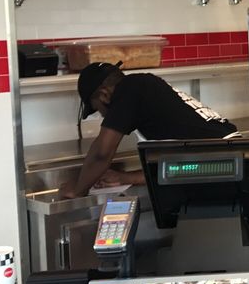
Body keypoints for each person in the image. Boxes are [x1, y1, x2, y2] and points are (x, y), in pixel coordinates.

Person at [59, 61, 239, 198]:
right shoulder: (144, 85)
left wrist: (78, 190)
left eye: (97, 109)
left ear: (104, 95)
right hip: (232, 159)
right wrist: (126, 178)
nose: (103, 116)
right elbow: (182, 164)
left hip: (221, 165)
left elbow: (101, 153)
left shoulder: (128, 90)